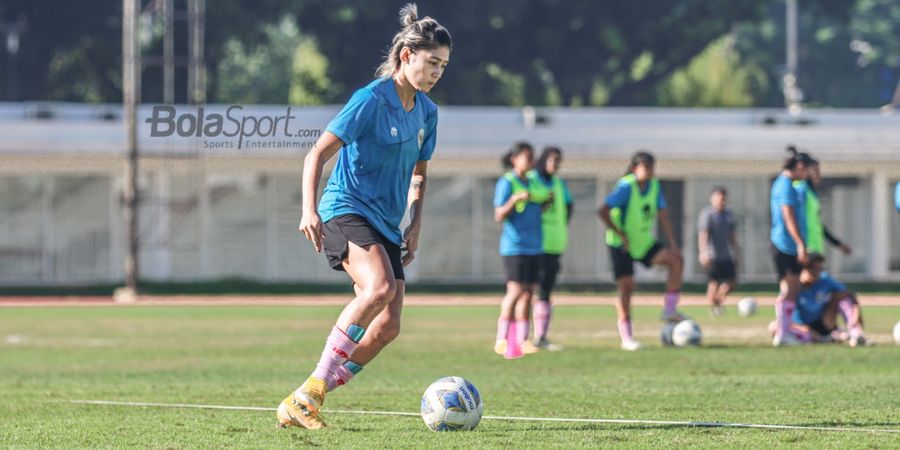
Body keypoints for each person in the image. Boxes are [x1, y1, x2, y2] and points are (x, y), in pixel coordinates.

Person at [279, 3, 451, 430]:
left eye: (443, 66)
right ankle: (311, 392)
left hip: (387, 224)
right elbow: (317, 153)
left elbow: (420, 174)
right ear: (407, 56)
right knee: (378, 289)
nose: (436, 73)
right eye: (432, 63)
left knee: (389, 326)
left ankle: (307, 395)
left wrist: (415, 222)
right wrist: (309, 209)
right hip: (346, 208)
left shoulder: (428, 113)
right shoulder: (370, 100)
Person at [598, 151, 685, 351]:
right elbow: (603, 211)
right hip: (621, 244)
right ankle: (627, 338)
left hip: (643, 242)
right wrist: (620, 235)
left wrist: (673, 244)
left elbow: (663, 215)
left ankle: (669, 309)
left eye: (651, 167)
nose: (649, 171)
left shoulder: (654, 186)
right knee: (627, 287)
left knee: (676, 260)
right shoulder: (626, 187)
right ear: (635, 168)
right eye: (645, 167)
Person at [493, 142, 550, 358]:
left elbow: (541, 203)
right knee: (515, 291)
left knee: (528, 293)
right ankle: (502, 338)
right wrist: (516, 199)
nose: (532, 160)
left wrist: (545, 200)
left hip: (534, 244)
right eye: (527, 156)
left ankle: (522, 340)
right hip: (514, 246)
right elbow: (499, 214)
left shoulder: (535, 180)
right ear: (514, 158)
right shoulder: (507, 182)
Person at [528, 146, 573, 350]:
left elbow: (569, 206)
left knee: (546, 290)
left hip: (554, 243)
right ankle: (518, 336)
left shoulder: (559, 183)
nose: (556, 164)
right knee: (525, 290)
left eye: (558, 160)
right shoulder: (531, 179)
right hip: (534, 243)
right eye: (553, 159)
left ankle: (541, 336)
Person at [769, 147, 813, 347]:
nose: (807, 173)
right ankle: (782, 333)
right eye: (806, 169)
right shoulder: (785, 185)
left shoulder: (787, 184)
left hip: (787, 245)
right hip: (785, 245)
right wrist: (800, 244)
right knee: (789, 288)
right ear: (799, 166)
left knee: (790, 288)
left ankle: (784, 331)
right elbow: (788, 216)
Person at [777, 254, 867, 347]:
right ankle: (828, 337)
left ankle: (855, 333)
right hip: (800, 326)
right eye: (812, 268)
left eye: (819, 269)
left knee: (843, 298)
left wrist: (855, 316)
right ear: (802, 269)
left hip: (823, 323)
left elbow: (848, 294)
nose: (816, 272)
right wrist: (806, 329)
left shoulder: (824, 280)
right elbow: (784, 314)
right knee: (774, 327)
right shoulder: (793, 286)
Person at [790, 149, 853, 256]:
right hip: (805, 248)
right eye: (815, 171)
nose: (818, 175)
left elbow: (817, 225)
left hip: (815, 248)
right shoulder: (799, 188)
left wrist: (838, 244)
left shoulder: (811, 193)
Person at [697, 187, 740, 317]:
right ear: (712, 199)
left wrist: (737, 250)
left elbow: (731, 235)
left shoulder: (728, 215)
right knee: (713, 283)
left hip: (726, 254)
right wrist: (703, 252)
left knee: (731, 282)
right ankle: (714, 310)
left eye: (722, 198)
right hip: (712, 255)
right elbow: (703, 234)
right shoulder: (707, 214)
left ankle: (718, 299)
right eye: (717, 197)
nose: (720, 200)